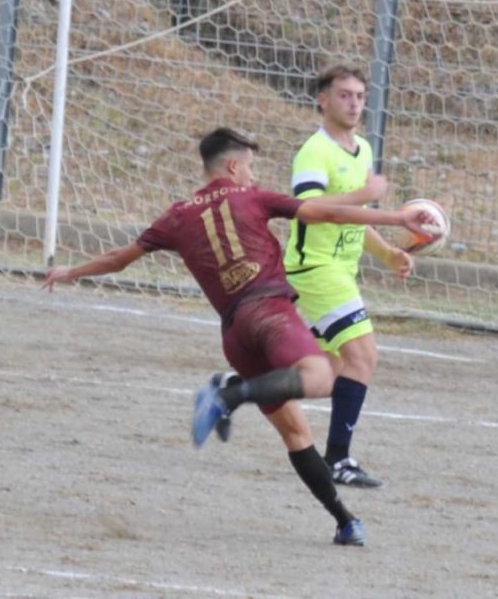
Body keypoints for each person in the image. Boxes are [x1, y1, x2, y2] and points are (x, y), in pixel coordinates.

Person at [43, 127, 435, 546]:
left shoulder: (177, 215)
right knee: (322, 377)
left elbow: (119, 259)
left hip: (234, 333)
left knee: (296, 434)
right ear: (232, 165)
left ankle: (344, 520)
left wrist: (71, 271)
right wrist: (395, 217)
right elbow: (326, 213)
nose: (252, 174)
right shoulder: (254, 197)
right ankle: (229, 396)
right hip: (270, 314)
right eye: (249, 166)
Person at [283, 65, 412, 489]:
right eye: (344, 95)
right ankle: (338, 459)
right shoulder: (313, 153)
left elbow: (355, 219)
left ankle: (240, 388)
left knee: (331, 373)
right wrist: (374, 201)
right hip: (314, 269)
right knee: (365, 356)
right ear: (323, 100)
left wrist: (388, 252)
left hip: (341, 271)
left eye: (359, 95)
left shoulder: (363, 150)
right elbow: (312, 210)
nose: (354, 103)